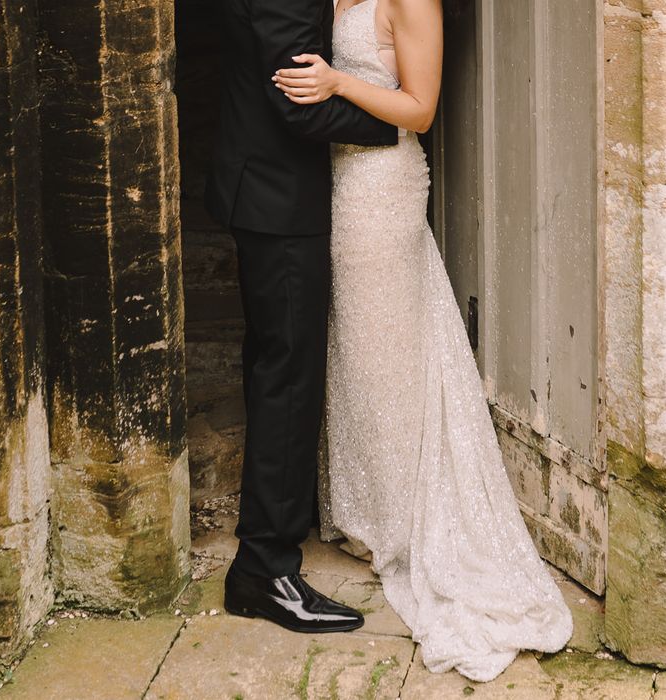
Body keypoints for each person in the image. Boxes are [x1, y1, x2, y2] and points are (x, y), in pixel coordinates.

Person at [271, 0, 574, 682]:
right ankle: (366, 509)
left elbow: (420, 108)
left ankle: (407, 520)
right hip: (340, 177)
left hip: (383, 184)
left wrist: (338, 82)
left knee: (387, 354)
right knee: (360, 351)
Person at [204, 0, 398, 634]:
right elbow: (294, 104)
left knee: (273, 371)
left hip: (258, 189)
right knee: (288, 381)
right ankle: (265, 571)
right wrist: (396, 125)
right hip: (279, 202)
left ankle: (268, 548)